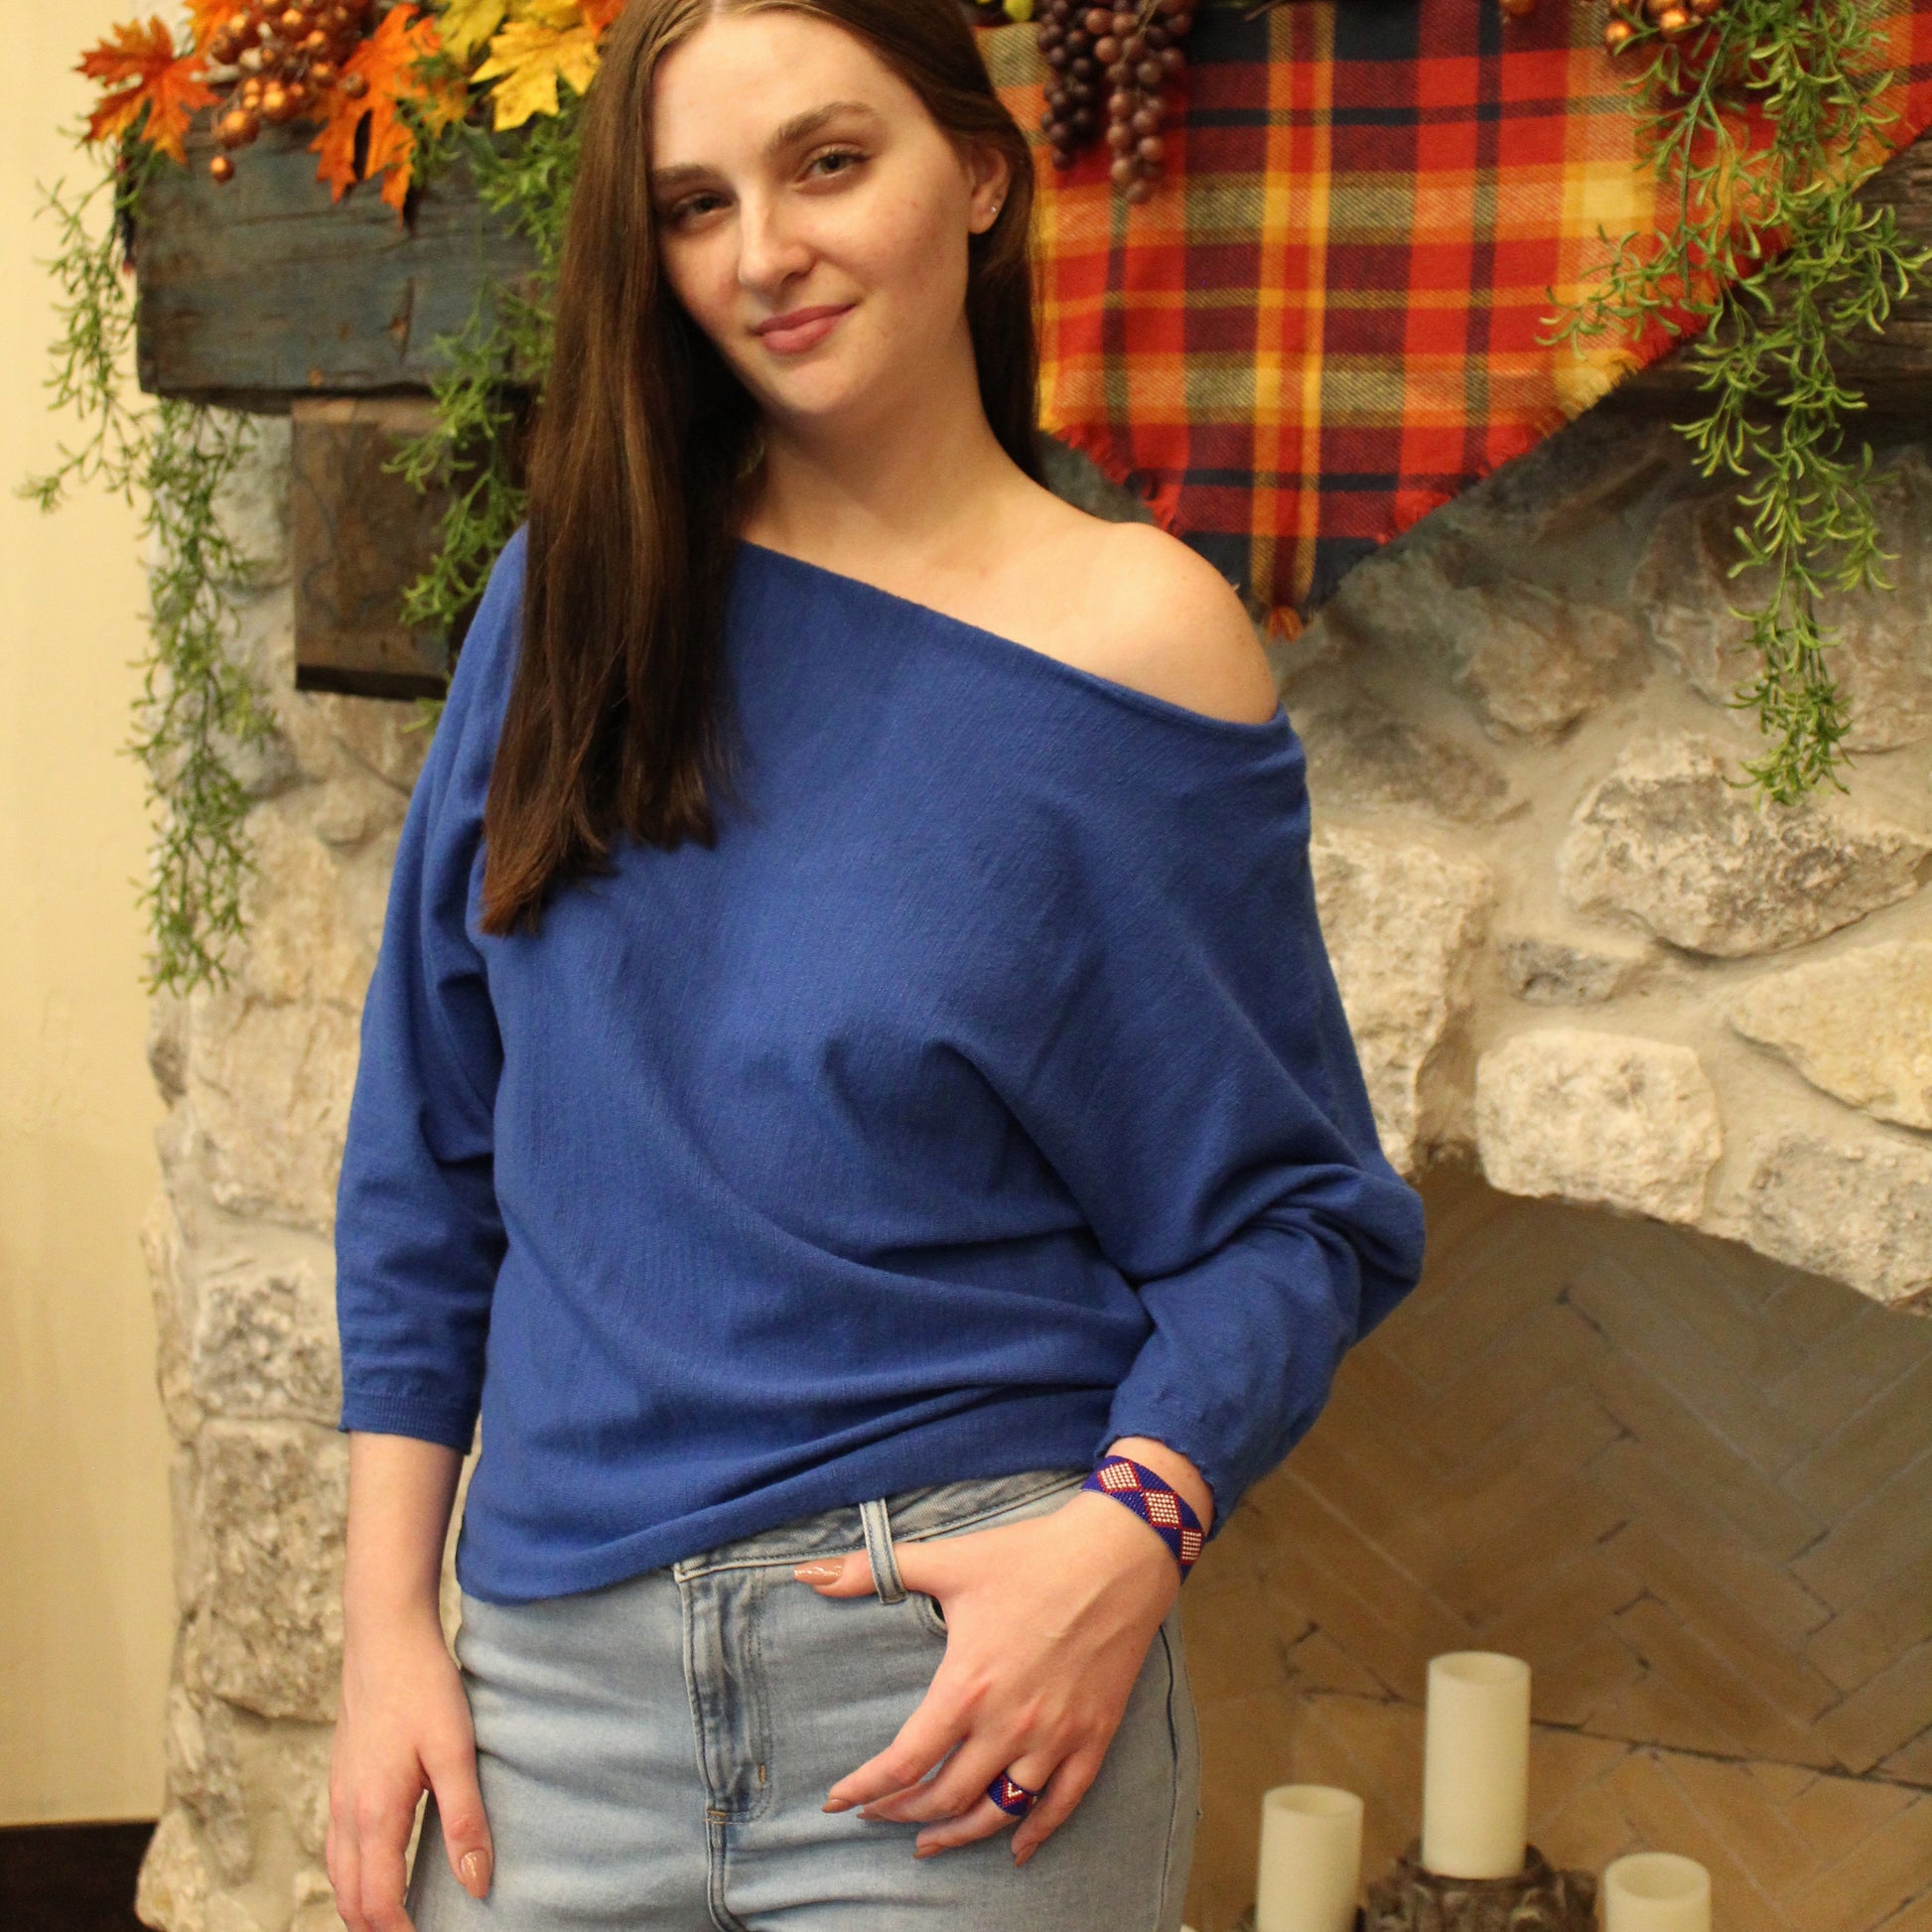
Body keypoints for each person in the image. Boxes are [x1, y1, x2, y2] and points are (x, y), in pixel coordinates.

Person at [324, 0, 1427, 1925]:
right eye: (695, 204)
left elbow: (1289, 1213)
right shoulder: (570, 599)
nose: (763, 251)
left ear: (979, 173)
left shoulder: (1137, 641)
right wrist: (382, 1629)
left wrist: (1131, 1534)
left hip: (958, 1693)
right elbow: (427, 1153)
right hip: (541, 1709)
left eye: (828, 164)